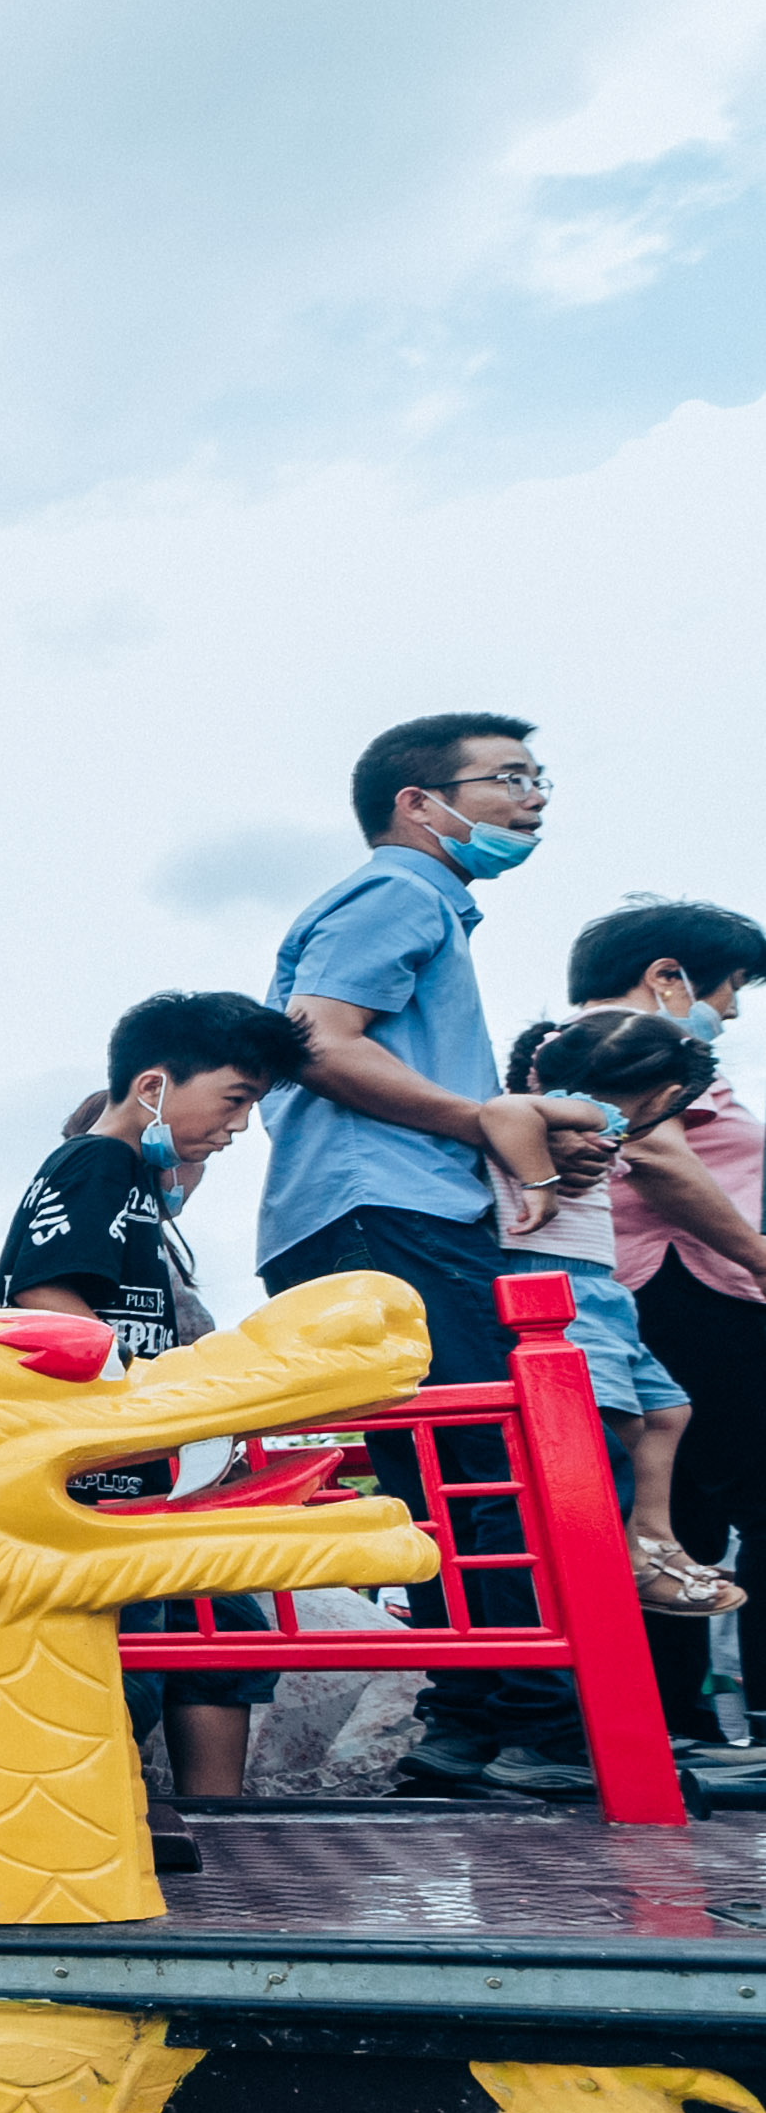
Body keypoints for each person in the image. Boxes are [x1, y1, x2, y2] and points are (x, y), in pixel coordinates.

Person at [259, 712, 613, 1797]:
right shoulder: (399, 891)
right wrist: (482, 1120)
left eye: (538, 775)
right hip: (390, 1210)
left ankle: (466, 1726)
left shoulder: (417, 907)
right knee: (491, 1473)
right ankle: (542, 1731)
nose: (535, 797)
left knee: (446, 1482)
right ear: (418, 802)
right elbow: (320, 1038)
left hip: (350, 1214)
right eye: (508, 777)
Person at [0, 992, 312, 1797]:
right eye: (234, 1100)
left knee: (221, 1625)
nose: (238, 1126)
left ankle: (214, 1819)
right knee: (126, 1654)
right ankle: (109, 1818)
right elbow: (44, 1299)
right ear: (152, 1087)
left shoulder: (129, 1172)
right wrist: (139, 1404)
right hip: (101, 1470)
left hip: (145, 1461)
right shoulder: (95, 1163)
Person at [577, 901, 766, 1774]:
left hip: (656, 1300)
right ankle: (721, 1729)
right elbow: (658, 1159)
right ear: (668, 979)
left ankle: (676, 1731)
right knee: (720, 1510)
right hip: (682, 1291)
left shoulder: (565, 1060)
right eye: (730, 992)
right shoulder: (627, 1059)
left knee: (673, 1516)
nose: (727, 1014)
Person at [498, 1011, 744, 1625]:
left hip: (601, 1294)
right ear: (664, 1097)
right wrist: (543, 1183)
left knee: (667, 1411)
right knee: (615, 1425)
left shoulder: (577, 1119)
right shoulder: (581, 1112)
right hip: (556, 1285)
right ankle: (626, 1554)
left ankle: (656, 1540)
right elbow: (500, 1111)